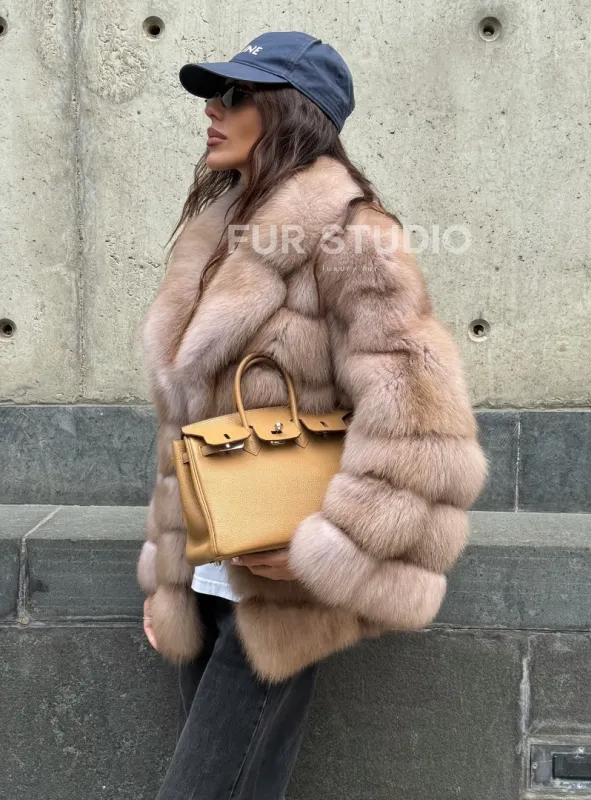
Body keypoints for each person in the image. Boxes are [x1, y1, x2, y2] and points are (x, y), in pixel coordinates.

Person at [136, 30, 489, 800]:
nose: (212, 110)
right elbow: (187, 429)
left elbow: (422, 425)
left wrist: (328, 549)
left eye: (235, 95)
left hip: (282, 591)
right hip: (208, 574)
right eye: (212, 94)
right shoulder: (218, 236)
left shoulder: (354, 236)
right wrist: (170, 577)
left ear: (291, 111)